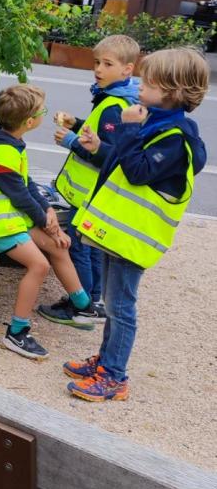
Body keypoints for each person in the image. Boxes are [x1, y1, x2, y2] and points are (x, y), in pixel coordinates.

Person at [65, 47, 208, 402]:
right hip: (118, 233)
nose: (140, 85)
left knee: (121, 306)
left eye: (150, 82)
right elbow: (120, 161)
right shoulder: (153, 120)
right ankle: (106, 361)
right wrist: (102, 143)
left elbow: (137, 170)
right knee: (114, 303)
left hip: (134, 239)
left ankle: (115, 376)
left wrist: (128, 129)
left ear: (173, 91)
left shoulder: (175, 136)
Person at [0, 84, 95, 361]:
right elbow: (20, 195)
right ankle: (17, 332)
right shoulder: (1, 153)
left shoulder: (9, 142)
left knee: (58, 247)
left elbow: (26, 183)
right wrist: (47, 224)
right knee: (39, 264)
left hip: (9, 215)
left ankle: (82, 306)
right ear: (30, 122)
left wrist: (47, 211)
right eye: (41, 111)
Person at [49, 34, 141, 321]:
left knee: (80, 249)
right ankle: (94, 301)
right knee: (92, 249)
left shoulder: (115, 105)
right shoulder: (117, 97)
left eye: (107, 64)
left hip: (88, 193)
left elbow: (110, 156)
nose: (98, 69)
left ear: (128, 69)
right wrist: (77, 122)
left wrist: (72, 141)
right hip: (93, 194)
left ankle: (82, 304)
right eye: (97, 62)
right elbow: (100, 133)